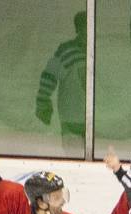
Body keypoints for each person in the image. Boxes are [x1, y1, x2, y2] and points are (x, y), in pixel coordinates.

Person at [35, 10, 86, 156]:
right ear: (78, 29)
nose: (87, 31)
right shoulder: (67, 51)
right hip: (72, 118)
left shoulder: (96, 50)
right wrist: (43, 103)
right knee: (74, 158)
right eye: (84, 26)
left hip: (94, 119)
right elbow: (49, 76)